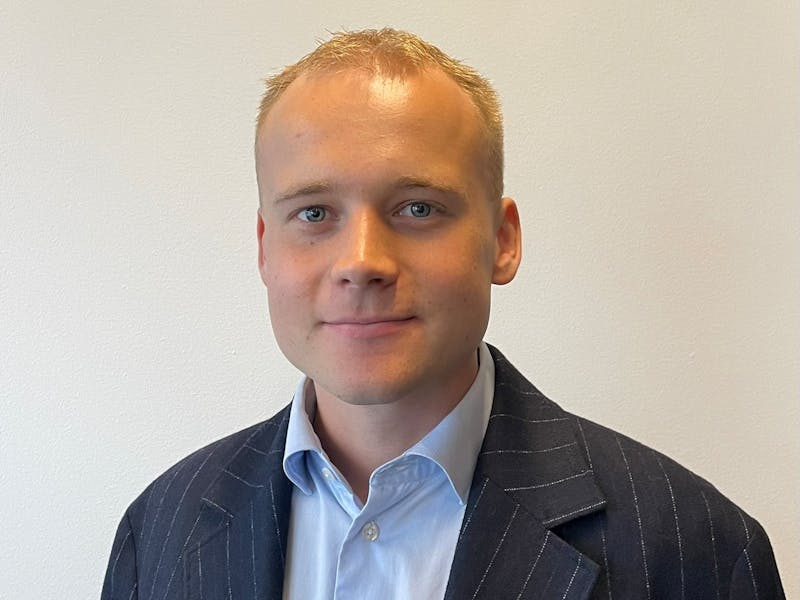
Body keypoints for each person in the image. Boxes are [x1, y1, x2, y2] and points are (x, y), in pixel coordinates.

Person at [101, 28, 785, 600]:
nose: (361, 260)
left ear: (503, 240)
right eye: (314, 213)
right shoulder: (160, 530)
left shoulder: (699, 551)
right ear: (264, 248)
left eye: (418, 208)